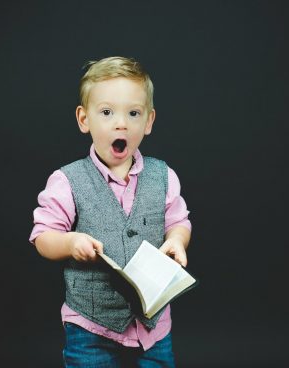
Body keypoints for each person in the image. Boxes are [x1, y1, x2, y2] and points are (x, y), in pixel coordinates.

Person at [29, 56, 192, 368]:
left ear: (148, 121)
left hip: (153, 327)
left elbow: (179, 221)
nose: (121, 123)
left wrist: (177, 240)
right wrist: (69, 242)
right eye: (107, 112)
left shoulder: (163, 176)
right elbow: (42, 237)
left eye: (133, 113)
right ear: (84, 119)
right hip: (90, 325)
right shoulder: (67, 181)